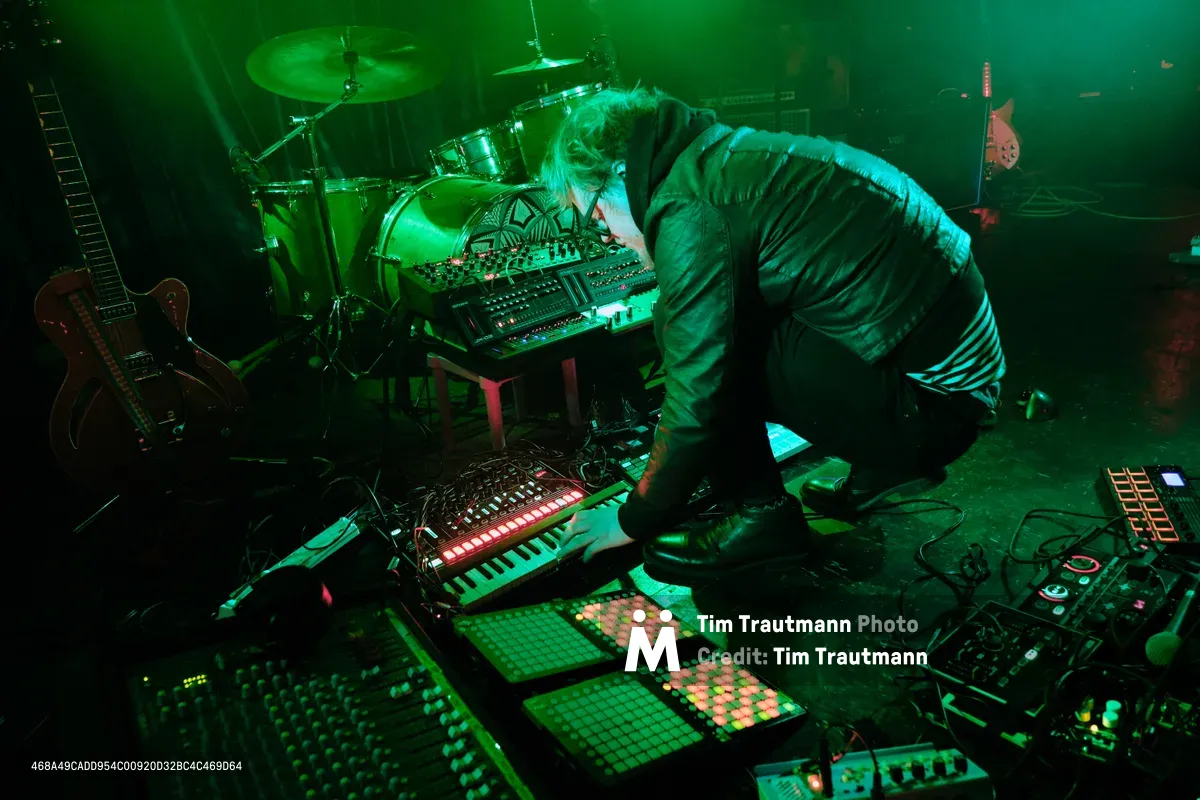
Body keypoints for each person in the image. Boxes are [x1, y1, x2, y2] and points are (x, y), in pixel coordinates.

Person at [546, 87, 1004, 584]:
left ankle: (761, 520)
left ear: (617, 171)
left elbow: (698, 391)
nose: (605, 233)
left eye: (595, 214)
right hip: (961, 380)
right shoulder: (724, 155)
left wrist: (632, 519)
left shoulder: (689, 208)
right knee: (718, 320)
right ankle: (881, 467)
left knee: (698, 339)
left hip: (933, 410)